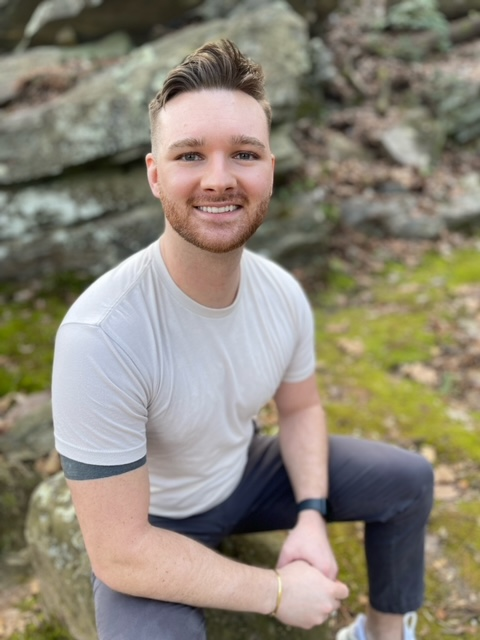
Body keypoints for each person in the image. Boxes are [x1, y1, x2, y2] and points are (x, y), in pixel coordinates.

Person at [52, 39, 434, 640]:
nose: (219, 178)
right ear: (155, 175)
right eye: (190, 156)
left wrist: (311, 514)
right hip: (154, 523)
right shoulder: (100, 335)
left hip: (245, 474)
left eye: (244, 154)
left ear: (270, 172)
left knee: (409, 481)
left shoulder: (280, 292)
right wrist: (277, 592)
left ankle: (383, 632)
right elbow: (120, 550)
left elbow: (301, 408)